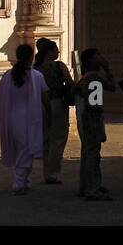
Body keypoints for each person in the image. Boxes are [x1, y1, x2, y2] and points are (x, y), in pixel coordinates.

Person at [0, 43, 50, 195]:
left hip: (11, 119)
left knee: (23, 151)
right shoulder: (37, 77)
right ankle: (18, 182)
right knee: (26, 150)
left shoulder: (7, 76)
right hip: (30, 120)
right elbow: (45, 99)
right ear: (31, 57)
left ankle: (25, 180)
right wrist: (49, 115)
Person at [75, 47, 116, 201]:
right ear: (90, 61)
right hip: (93, 117)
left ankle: (86, 185)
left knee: (87, 152)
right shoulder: (94, 78)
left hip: (88, 116)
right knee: (93, 153)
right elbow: (109, 90)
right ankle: (92, 188)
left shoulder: (87, 77)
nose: (100, 57)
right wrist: (107, 69)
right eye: (97, 55)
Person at [34, 37, 74, 185]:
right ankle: (52, 173)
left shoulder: (36, 68)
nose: (58, 51)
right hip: (56, 103)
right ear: (49, 52)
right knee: (58, 139)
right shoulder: (59, 66)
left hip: (40, 105)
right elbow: (70, 83)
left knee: (46, 139)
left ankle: (47, 171)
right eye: (55, 49)